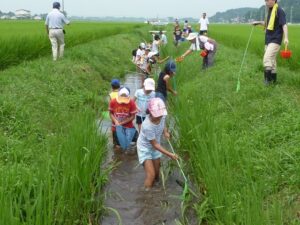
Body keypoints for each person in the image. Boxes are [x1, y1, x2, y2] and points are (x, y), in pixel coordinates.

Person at [137, 97, 178, 190]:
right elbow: (154, 144)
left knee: (157, 174)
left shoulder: (162, 115)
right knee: (151, 175)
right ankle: (147, 195)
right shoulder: (147, 126)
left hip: (155, 147)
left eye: (161, 114)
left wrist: (166, 132)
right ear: (151, 112)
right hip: (145, 148)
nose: (160, 116)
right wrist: (170, 154)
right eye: (157, 115)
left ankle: (156, 191)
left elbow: (163, 124)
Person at [252, 0, 289, 84]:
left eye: (267, 0)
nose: (266, 3)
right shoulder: (270, 10)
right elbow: (267, 24)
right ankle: (273, 81)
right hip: (268, 39)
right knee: (272, 60)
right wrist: (257, 23)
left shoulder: (279, 10)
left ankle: (267, 82)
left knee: (267, 58)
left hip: (275, 39)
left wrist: (286, 38)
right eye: (265, 1)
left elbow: (284, 24)